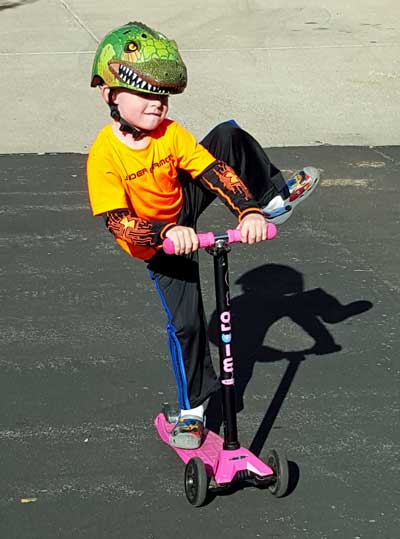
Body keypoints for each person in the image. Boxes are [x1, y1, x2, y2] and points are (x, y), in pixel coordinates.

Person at [86, 21, 320, 450]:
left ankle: (268, 199)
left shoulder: (169, 133)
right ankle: (193, 411)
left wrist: (246, 210)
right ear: (110, 95)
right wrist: (167, 231)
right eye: (145, 95)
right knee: (188, 325)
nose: (158, 105)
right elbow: (119, 222)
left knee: (227, 135)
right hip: (155, 241)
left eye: (163, 97)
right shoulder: (105, 155)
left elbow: (211, 168)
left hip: (182, 208)